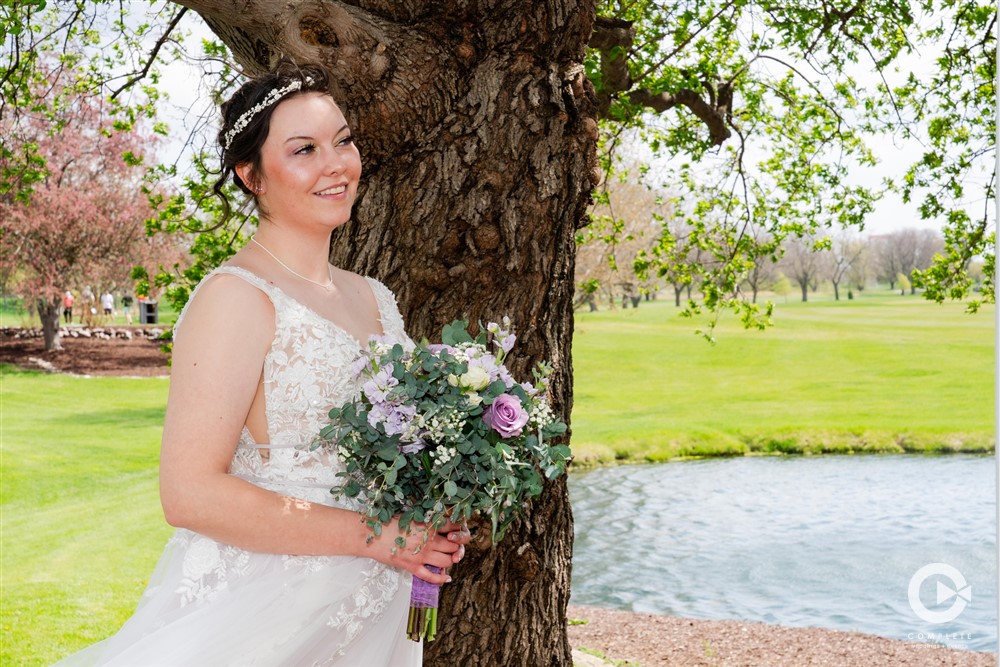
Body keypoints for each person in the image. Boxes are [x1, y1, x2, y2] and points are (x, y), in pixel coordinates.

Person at [52, 60, 470, 667]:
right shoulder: (235, 297)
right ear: (254, 176)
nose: (336, 164)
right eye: (304, 149)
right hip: (268, 608)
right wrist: (379, 538)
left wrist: (427, 510)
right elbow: (190, 494)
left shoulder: (375, 297)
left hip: (373, 609)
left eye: (343, 141)